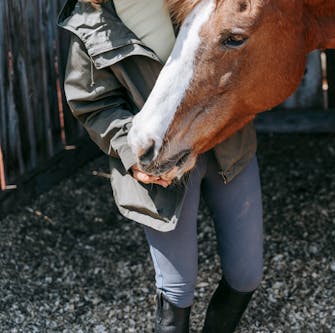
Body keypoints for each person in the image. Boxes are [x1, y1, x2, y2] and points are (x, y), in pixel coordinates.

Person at [58, 0, 264, 332]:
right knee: (177, 289)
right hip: (160, 167)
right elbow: (93, 104)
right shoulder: (90, 20)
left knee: (247, 274)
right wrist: (131, 154)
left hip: (228, 149)